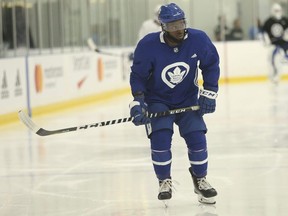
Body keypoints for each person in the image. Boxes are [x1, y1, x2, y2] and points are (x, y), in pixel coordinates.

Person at [129, 3, 219, 205]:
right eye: (172, 26)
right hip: (158, 101)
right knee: (160, 138)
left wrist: (210, 92)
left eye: (181, 23)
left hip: (187, 100)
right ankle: (164, 181)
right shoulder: (148, 45)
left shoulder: (198, 39)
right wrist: (137, 102)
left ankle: (200, 180)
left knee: (197, 138)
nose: (178, 29)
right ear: (163, 27)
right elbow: (138, 76)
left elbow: (211, 64)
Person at [262, 3, 288, 83]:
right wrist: (266, 40)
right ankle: (275, 75)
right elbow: (263, 33)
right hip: (274, 45)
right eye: (276, 10)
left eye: (279, 10)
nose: (277, 12)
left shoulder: (285, 20)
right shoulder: (268, 22)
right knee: (274, 61)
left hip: (285, 44)